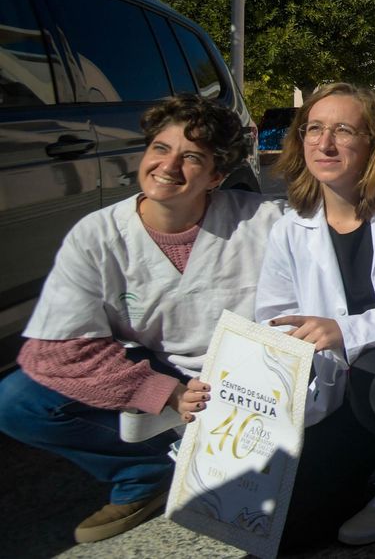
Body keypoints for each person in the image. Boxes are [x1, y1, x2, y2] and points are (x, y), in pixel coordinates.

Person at [0, 94, 281, 544]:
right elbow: (57, 349)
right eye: (160, 149)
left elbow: (339, 217)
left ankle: (211, 461)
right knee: (18, 401)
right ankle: (145, 471)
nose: (168, 166)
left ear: (217, 175)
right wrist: (159, 391)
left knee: (283, 519)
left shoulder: (264, 221)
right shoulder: (97, 236)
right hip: (169, 376)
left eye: (191, 157)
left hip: (251, 386)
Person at [251, 82, 375, 547]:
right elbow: (275, 316)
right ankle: (366, 463)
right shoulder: (290, 226)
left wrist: (344, 329)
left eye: (343, 130)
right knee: (289, 531)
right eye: (314, 129)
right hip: (334, 385)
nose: (324, 144)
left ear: (372, 144)